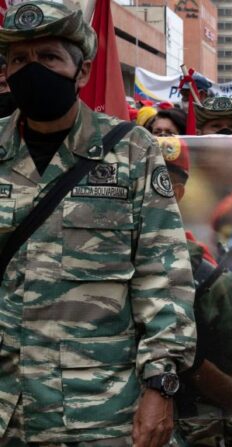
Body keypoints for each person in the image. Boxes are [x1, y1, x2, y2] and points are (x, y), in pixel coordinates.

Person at [0, 1, 196, 445]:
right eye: (19, 60)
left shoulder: (131, 151)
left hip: (98, 412)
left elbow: (163, 277)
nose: (31, 70)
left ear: (82, 72)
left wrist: (159, 386)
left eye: (48, 57)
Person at [154, 137, 232, 446]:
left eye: (155, 182)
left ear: (176, 193)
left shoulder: (212, 281)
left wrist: (194, 366)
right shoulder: (97, 259)